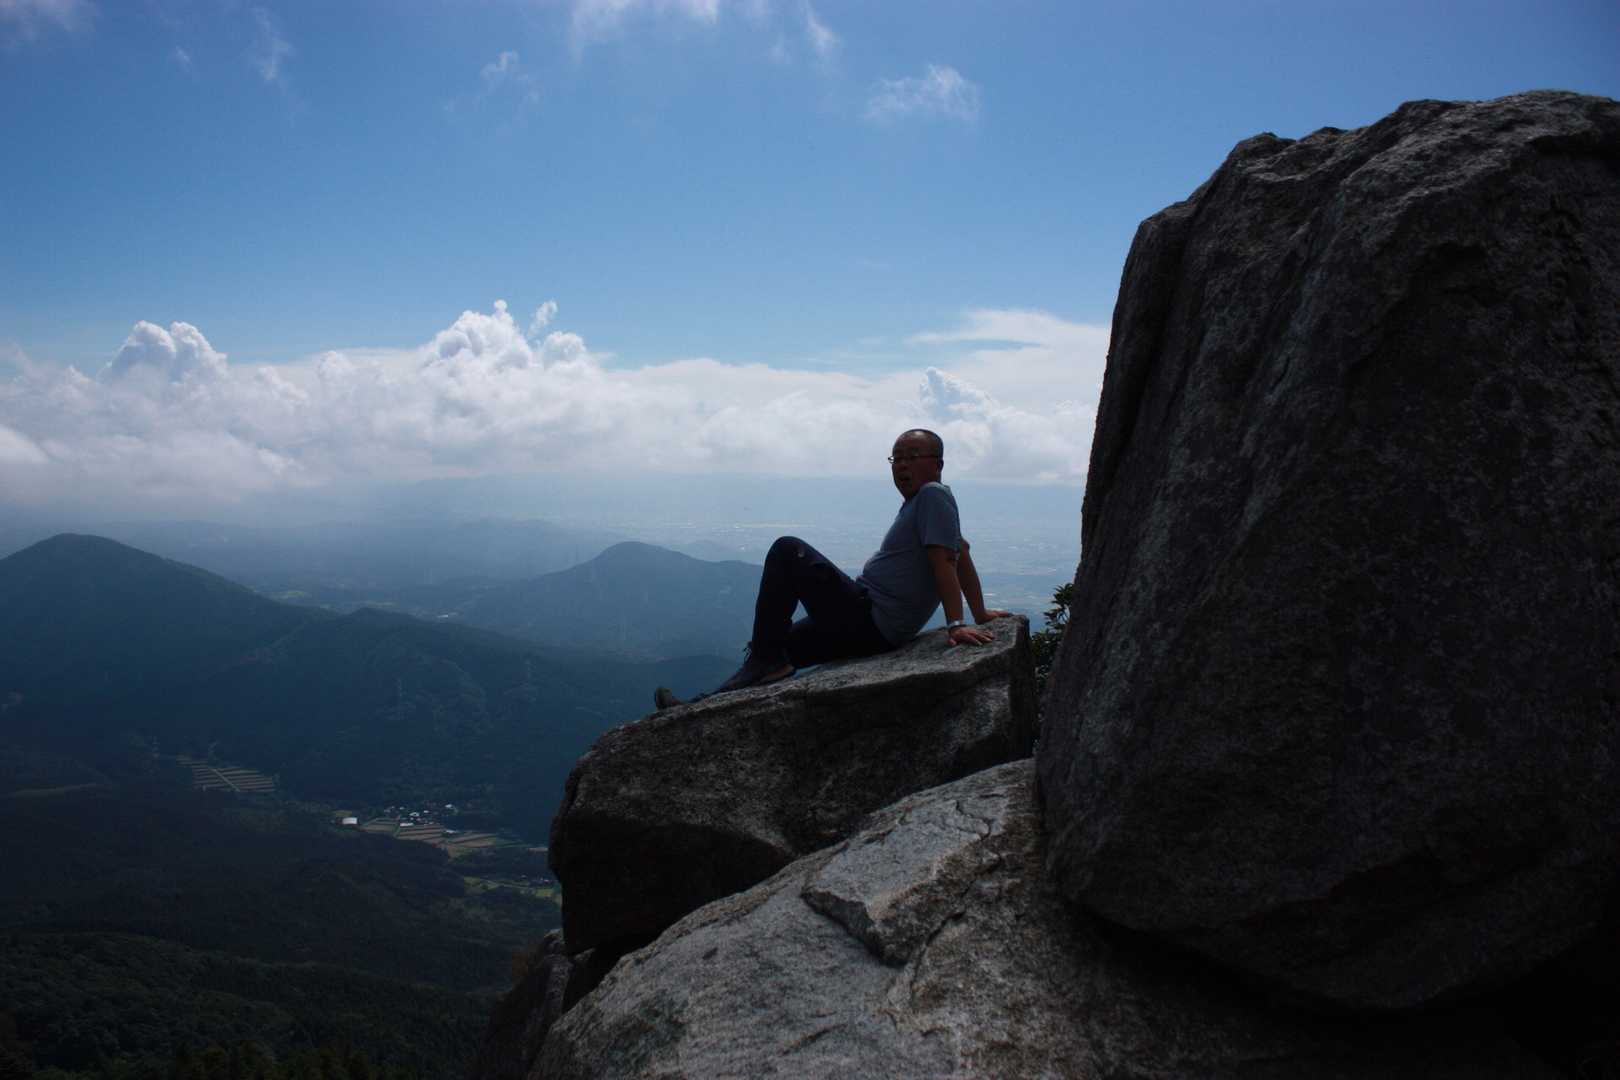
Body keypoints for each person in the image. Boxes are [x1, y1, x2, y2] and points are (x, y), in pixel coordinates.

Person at [654, 428, 1013, 708]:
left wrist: (956, 624)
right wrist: (979, 613)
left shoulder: (933, 495)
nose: (902, 465)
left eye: (912, 457)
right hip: (870, 625)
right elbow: (963, 553)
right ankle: (698, 708)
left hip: (869, 617)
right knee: (775, 648)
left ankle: (761, 667)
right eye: (897, 458)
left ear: (937, 464)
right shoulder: (926, 503)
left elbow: (946, 561)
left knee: (787, 550)